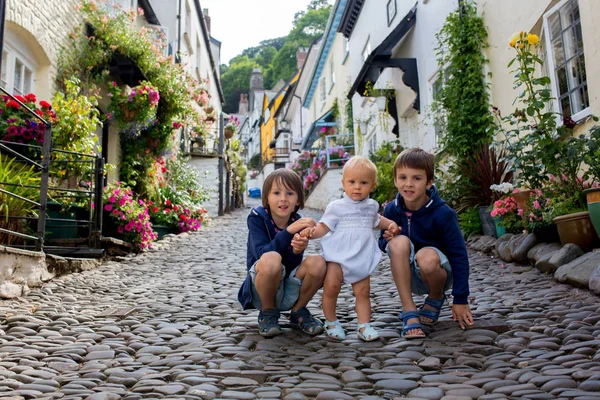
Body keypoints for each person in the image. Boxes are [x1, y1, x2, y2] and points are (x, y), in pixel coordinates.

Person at [379, 148, 473, 339]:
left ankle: (436, 297)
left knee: (426, 256)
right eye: (403, 177)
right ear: (395, 180)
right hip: (407, 275)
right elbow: (381, 242)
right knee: (398, 242)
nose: (409, 184)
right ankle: (409, 311)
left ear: (429, 182)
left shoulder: (443, 214)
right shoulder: (391, 210)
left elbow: (459, 255)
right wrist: (388, 238)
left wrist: (461, 298)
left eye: (417, 178)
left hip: (436, 273)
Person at [302, 156, 399, 341]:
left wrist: (391, 224)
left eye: (363, 183)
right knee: (331, 288)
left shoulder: (371, 206)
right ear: (343, 183)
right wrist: (312, 233)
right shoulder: (337, 207)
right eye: (352, 182)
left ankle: (364, 325)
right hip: (337, 258)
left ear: (372, 185)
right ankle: (331, 321)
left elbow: (377, 220)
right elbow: (325, 226)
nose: (357, 187)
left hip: (361, 257)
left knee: (363, 292)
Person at [238, 168, 326, 337]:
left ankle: (298, 311)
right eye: (276, 193)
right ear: (267, 198)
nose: (283, 199)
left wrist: (296, 250)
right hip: (262, 289)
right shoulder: (257, 217)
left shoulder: (298, 222)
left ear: (298, 199)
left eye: (290, 193)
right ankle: (268, 312)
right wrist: (287, 232)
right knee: (271, 257)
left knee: (318, 262)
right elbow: (261, 254)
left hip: (288, 288)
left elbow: (291, 265)